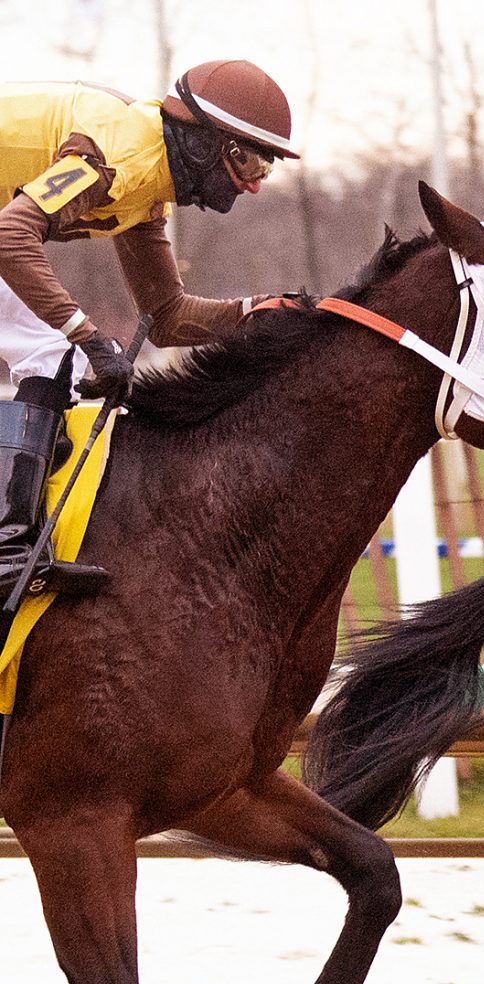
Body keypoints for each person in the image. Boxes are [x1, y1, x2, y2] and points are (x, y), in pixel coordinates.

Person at [0, 60, 298, 597]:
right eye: (249, 162)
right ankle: (7, 550)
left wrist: (250, 314)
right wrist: (89, 337)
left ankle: (14, 543)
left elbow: (165, 315)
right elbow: (10, 238)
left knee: (55, 357)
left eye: (264, 171)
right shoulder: (116, 153)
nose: (253, 187)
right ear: (204, 143)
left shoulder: (146, 186)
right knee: (54, 355)